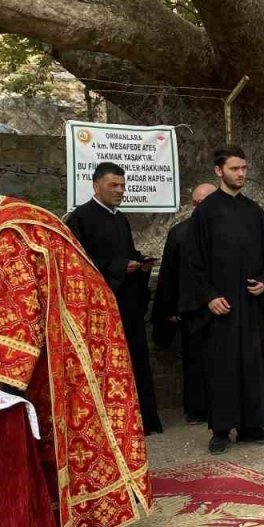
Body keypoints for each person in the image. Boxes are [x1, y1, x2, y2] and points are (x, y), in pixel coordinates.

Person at [0, 165, 152, 527]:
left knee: (78, 420)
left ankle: (93, 514)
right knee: (67, 421)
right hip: (66, 323)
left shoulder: (11, 228)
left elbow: (18, 305)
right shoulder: (0, 221)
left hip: (75, 332)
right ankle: (78, 511)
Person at [181, 147, 264, 454]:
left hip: (251, 306)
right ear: (219, 171)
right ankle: (221, 429)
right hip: (222, 307)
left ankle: (252, 425)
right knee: (222, 367)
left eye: (243, 168)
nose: (241, 174)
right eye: (234, 169)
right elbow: (192, 261)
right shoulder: (206, 212)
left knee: (253, 363)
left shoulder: (254, 211)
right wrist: (209, 296)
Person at [64, 162, 162, 435]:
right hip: (100, 307)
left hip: (127, 303)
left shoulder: (120, 218)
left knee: (135, 359)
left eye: (122, 185)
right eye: (113, 185)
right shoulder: (81, 218)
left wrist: (140, 262)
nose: (120, 191)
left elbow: (125, 252)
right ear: (97, 186)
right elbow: (77, 264)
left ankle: (141, 420)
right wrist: (119, 267)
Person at [151, 183, 218, 423]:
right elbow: (169, 275)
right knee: (194, 361)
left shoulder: (228, 231)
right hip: (191, 309)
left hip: (222, 308)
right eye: (197, 203)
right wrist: (169, 309)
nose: (200, 208)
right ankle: (197, 410)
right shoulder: (179, 233)